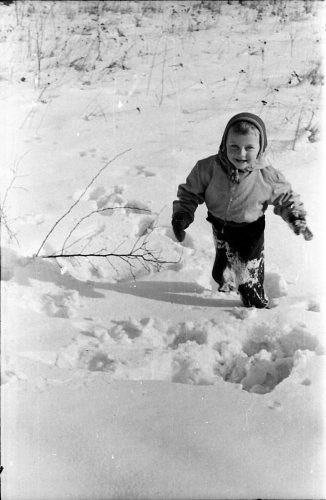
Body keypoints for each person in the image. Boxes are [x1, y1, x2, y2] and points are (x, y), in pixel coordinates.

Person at [172, 112, 313, 308]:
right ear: (224, 145)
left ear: (260, 148)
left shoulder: (266, 176)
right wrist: (182, 215)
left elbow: (286, 198)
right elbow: (189, 193)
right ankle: (227, 287)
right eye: (234, 146)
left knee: (247, 282)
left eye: (249, 147)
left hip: (250, 232)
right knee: (221, 271)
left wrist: (295, 217)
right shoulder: (208, 168)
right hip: (218, 226)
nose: (241, 153)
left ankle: (258, 309)